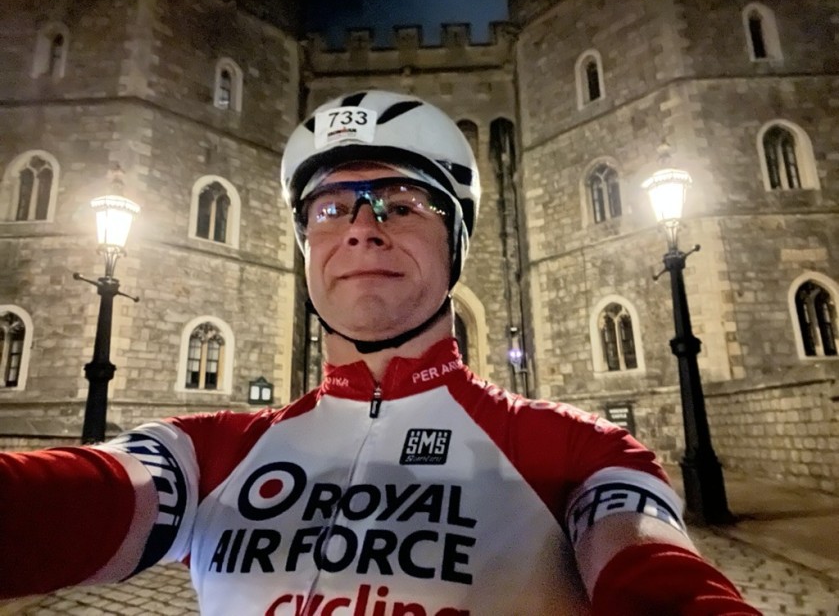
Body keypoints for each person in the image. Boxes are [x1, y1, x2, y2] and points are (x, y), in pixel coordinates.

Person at [0, 90, 758, 615]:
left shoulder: (580, 455)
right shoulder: (205, 456)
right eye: (330, 208)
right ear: (305, 248)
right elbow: (63, 506)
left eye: (401, 203)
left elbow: (657, 576)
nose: (363, 227)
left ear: (455, 243)